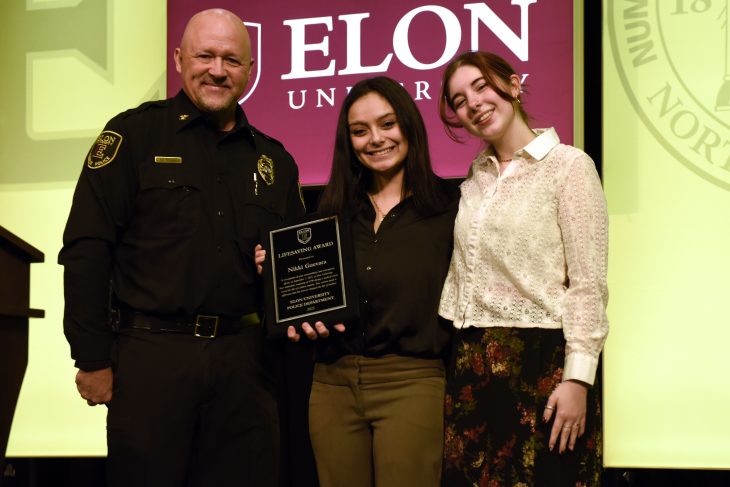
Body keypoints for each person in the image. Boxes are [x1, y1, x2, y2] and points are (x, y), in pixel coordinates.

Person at [59, 8, 305, 486]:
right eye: (205, 55)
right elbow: (87, 249)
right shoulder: (132, 136)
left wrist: (274, 270)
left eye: (232, 59)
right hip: (151, 359)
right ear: (178, 59)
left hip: (244, 366)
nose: (218, 69)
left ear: (250, 70)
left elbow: (292, 268)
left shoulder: (275, 160)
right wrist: (91, 357)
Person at [256, 76, 458, 487]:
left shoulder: (451, 209)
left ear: (409, 126)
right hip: (331, 385)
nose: (375, 139)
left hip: (412, 382)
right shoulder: (328, 216)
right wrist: (276, 273)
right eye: (360, 131)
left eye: (387, 124)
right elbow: (309, 303)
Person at [437, 51, 608, 486]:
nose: (472, 103)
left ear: (513, 86)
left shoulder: (570, 166)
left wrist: (579, 379)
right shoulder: (476, 177)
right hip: (472, 365)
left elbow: (588, 284)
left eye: (480, 86)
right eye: (458, 100)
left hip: (542, 364)